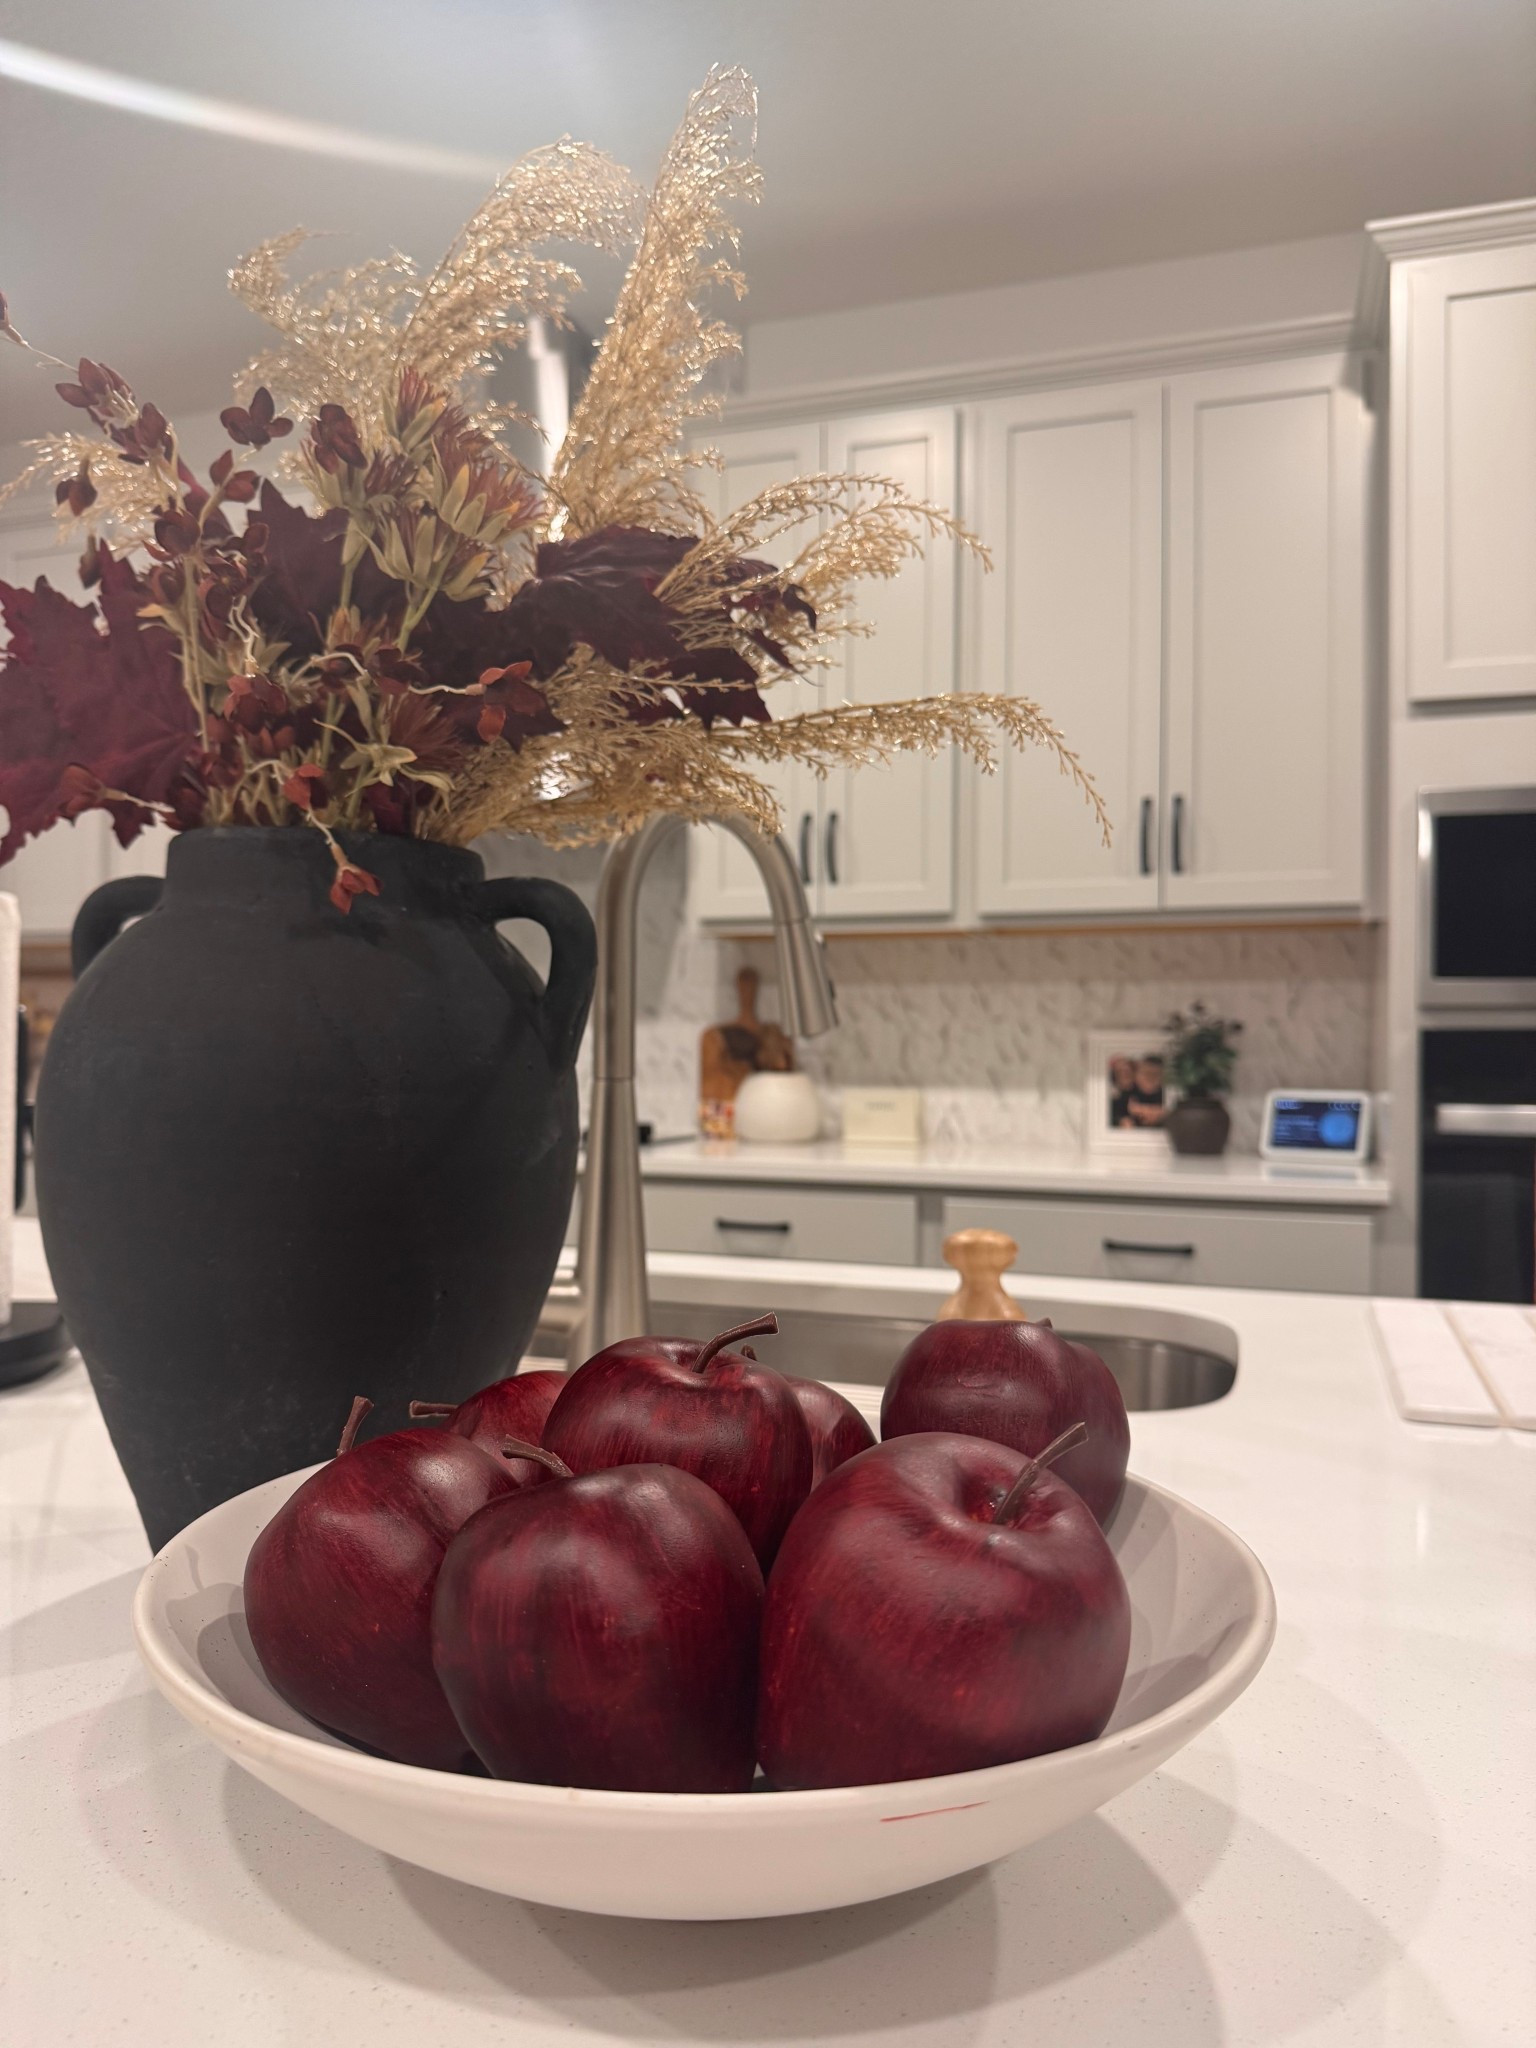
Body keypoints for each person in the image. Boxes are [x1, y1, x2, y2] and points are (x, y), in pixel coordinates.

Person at [1126, 1055, 1167, 1127]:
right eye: (1146, 1073)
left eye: (1155, 1075)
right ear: (1136, 1075)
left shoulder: (1166, 1095)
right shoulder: (1127, 1093)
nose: (1150, 1078)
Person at [1109, 1055, 1137, 1129]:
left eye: (1127, 1072)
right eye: (1119, 1072)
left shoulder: (1140, 1090)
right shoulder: (1111, 1095)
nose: (1123, 1074)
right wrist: (1120, 1121)